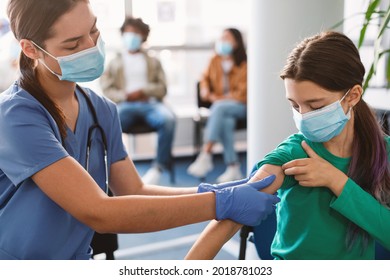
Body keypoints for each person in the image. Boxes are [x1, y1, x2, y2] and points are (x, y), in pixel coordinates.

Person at [0, 0, 280, 260]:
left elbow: (134, 189)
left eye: (94, 30)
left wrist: (212, 191)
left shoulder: (101, 109)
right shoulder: (15, 116)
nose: (91, 46)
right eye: (73, 45)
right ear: (31, 49)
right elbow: (98, 211)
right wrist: (219, 203)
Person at [185, 31, 390, 260]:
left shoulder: (383, 153)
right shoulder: (293, 155)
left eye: (315, 106)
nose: (304, 117)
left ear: (353, 96)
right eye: (295, 105)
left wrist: (337, 181)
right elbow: (228, 221)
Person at [100, 17, 175, 185]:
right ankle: (115, 171)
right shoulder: (114, 62)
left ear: (143, 36)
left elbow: (162, 88)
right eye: (128, 33)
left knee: (168, 120)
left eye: (135, 33)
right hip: (125, 105)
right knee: (108, 123)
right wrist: (126, 96)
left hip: (151, 104)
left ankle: (158, 168)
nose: (131, 36)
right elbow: (107, 89)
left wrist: (143, 91)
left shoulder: (153, 61)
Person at [187, 28, 247, 183]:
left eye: (227, 38)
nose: (222, 41)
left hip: (241, 106)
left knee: (219, 108)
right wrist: (208, 92)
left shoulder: (244, 64)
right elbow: (204, 80)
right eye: (221, 38)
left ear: (236, 42)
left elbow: (242, 94)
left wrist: (219, 99)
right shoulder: (214, 60)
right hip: (222, 109)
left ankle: (206, 153)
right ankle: (233, 167)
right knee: (226, 122)